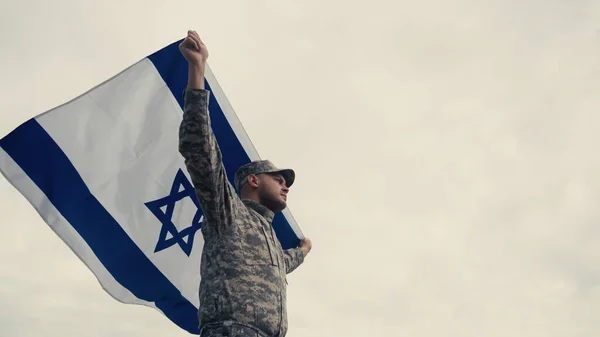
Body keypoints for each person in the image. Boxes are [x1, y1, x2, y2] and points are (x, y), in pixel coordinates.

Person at [177, 30, 312, 337]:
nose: (285, 186)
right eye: (277, 179)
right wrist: (197, 70)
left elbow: (283, 261)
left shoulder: (272, 242)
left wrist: (303, 250)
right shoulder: (229, 213)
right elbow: (201, 152)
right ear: (253, 180)